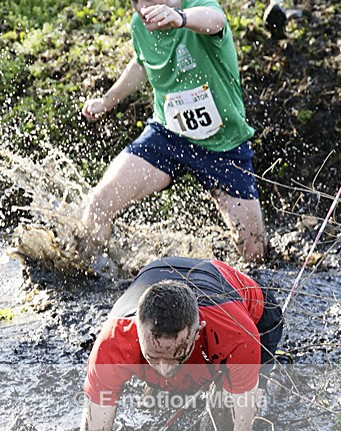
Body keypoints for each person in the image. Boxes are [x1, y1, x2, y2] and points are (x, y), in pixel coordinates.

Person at [81, 0, 267, 263]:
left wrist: (180, 18)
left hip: (224, 145)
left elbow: (216, 21)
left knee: (254, 253)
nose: (142, 8)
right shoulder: (140, 25)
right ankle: (94, 278)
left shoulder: (198, 7)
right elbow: (141, 62)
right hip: (168, 135)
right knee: (99, 204)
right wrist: (107, 101)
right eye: (134, 1)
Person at [76, 256, 283, 431]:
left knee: (224, 420)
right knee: (156, 400)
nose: (164, 370)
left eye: (177, 357)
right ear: (136, 333)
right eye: (153, 357)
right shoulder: (113, 342)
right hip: (157, 271)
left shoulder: (238, 334)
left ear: (197, 332)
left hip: (255, 315)